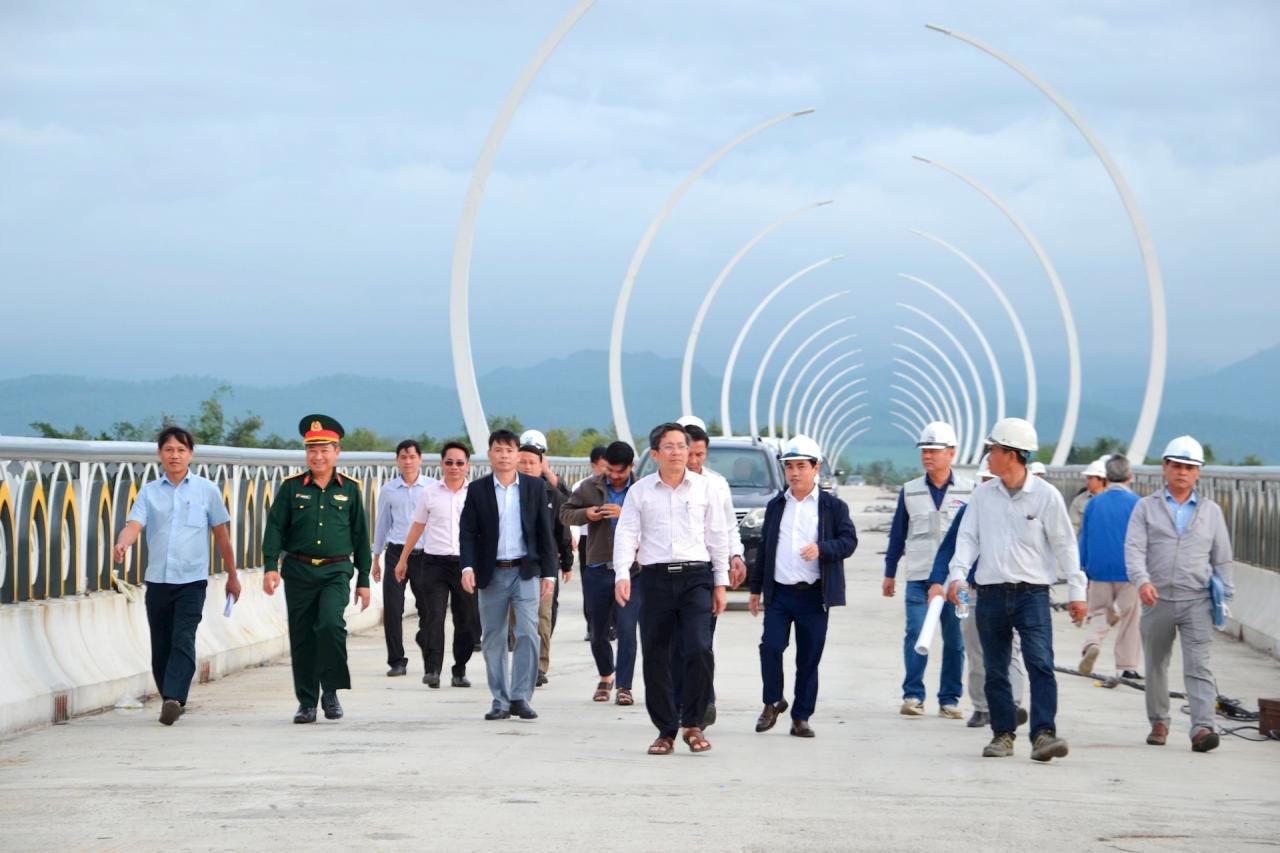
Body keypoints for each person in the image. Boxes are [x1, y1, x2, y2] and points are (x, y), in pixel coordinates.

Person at [945, 418, 1088, 761]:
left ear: (1011, 455)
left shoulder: (1046, 497)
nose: (988, 456)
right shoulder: (982, 496)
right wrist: (957, 575)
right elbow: (967, 539)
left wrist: (1077, 591)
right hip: (990, 593)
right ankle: (1002, 734)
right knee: (996, 668)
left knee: (1040, 663)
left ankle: (1043, 735)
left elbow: (1065, 544)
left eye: (992, 450)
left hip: (1032, 594)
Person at [613, 422, 729, 755]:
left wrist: (719, 582)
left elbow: (717, 536)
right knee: (656, 655)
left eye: (682, 445)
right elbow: (627, 535)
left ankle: (693, 723)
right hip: (656, 579)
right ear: (655, 454)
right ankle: (665, 729)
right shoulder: (641, 491)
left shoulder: (705, 489)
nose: (677, 452)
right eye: (670, 446)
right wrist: (622, 573)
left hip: (696, 577)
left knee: (698, 648)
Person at [112, 426, 239, 726]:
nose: (175, 455)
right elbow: (134, 524)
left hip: (192, 581)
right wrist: (123, 542)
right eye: (168, 450)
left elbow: (222, 537)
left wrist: (233, 576)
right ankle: (170, 694)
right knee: (162, 645)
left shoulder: (207, 491)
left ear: (191, 454)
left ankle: (174, 699)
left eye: (181, 450)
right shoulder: (149, 492)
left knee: (183, 637)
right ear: (159, 454)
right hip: (158, 581)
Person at [1125, 435, 1233, 752]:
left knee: (1199, 666)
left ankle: (1202, 728)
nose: (1182, 472)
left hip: (1197, 599)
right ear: (1165, 468)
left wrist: (1226, 597)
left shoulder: (1211, 512)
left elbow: (1222, 557)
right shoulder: (1146, 508)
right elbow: (1133, 549)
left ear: (1198, 472)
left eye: (1189, 467)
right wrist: (1142, 581)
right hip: (1156, 598)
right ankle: (1159, 721)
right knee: (1156, 663)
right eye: (1176, 466)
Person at [261, 415, 372, 724]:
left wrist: (363, 579)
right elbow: (274, 529)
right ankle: (307, 702)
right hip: (298, 570)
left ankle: (331, 690)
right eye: (312, 450)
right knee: (302, 637)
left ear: (337, 452)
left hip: (336, 572)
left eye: (325, 450)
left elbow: (362, 537)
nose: (318, 456)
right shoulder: (291, 488)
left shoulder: (350, 490)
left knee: (330, 626)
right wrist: (270, 566)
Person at [748, 435, 856, 737]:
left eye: (800, 466)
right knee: (770, 647)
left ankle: (801, 717)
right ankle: (772, 701)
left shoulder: (832, 507)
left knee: (808, 658)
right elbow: (766, 548)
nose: (794, 473)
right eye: (789, 467)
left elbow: (849, 542)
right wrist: (756, 590)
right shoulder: (776, 506)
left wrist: (822, 548)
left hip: (813, 595)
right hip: (780, 594)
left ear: (815, 467)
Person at [459, 429, 557, 721]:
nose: (504, 456)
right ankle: (499, 699)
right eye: (498, 450)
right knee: (493, 637)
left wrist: (549, 573)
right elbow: (466, 532)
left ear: (518, 455)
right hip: (492, 573)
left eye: (510, 450)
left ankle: (520, 696)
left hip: (525, 571)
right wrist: (467, 567)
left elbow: (544, 532)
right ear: (489, 454)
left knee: (528, 633)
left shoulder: (533, 488)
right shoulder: (477, 490)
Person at [926, 455, 1029, 729]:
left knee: (1012, 651)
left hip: (1013, 589)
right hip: (974, 591)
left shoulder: (1022, 509)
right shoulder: (971, 510)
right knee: (975, 650)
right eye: (985, 480)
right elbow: (948, 548)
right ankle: (982, 707)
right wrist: (939, 580)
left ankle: (1013, 705)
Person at [882, 421, 971, 719]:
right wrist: (890, 571)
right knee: (915, 633)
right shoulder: (910, 491)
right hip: (919, 577)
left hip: (954, 581)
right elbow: (898, 534)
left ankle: (949, 699)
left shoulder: (969, 492)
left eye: (934, 450)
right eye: (924, 451)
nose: (928, 456)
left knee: (955, 641)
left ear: (951, 453)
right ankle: (913, 695)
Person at [671, 418, 747, 728]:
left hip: (703, 574)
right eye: (690, 454)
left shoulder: (716, 484)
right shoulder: (662, 483)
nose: (694, 461)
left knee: (701, 641)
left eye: (700, 455)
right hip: (667, 576)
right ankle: (682, 702)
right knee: (676, 644)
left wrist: (735, 555)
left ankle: (703, 701)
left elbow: (728, 526)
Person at [393, 441, 477, 688]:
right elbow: (418, 525)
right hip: (434, 563)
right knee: (433, 617)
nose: (454, 467)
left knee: (466, 620)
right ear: (441, 464)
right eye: (449, 462)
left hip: (465, 564)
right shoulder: (429, 493)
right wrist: (403, 558)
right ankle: (432, 670)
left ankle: (459, 669)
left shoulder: (475, 494)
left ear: (467, 466)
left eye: (459, 463)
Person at [560, 441, 636, 703]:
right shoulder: (589, 487)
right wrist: (587, 514)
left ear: (631, 467)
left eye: (620, 472)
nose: (614, 476)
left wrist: (623, 514)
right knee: (597, 629)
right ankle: (606, 675)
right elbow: (565, 513)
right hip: (597, 568)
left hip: (632, 570)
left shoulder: (642, 489)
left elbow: (655, 521)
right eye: (610, 470)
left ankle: (624, 686)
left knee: (627, 628)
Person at [515, 431, 574, 686]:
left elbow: (563, 529)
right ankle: (520, 663)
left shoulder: (552, 493)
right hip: (511, 565)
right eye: (523, 460)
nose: (527, 466)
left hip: (542, 565)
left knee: (543, 617)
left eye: (533, 461)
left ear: (542, 462)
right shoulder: (505, 491)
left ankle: (539, 667)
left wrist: (567, 563)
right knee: (516, 621)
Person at [1077, 454, 1142, 679]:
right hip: (1129, 570)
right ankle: (1127, 666)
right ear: (1130, 476)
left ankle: (1092, 643)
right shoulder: (1137, 503)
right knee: (1130, 617)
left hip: (1099, 569)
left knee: (1099, 612)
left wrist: (1083, 566)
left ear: (1107, 476)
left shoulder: (1094, 503)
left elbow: (1085, 538)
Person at [371, 440, 430, 677]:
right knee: (393, 608)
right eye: (403, 457)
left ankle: (425, 641)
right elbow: (382, 524)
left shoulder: (431, 488)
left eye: (412, 457)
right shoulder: (388, 490)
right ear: (397, 460)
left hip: (424, 554)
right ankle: (396, 660)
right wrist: (376, 557)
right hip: (396, 552)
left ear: (420, 459)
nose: (408, 461)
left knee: (428, 608)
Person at [574, 446, 610, 642]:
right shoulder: (582, 487)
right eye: (604, 467)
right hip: (588, 540)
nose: (607, 472)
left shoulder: (617, 485)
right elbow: (570, 513)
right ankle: (592, 625)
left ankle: (612, 624)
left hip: (611, 538)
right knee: (590, 585)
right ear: (593, 466)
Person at [1070, 456, 1110, 535]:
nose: (1087, 481)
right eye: (1087, 478)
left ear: (1101, 479)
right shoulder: (1079, 500)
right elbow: (1073, 526)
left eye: (1090, 478)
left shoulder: (1113, 499)